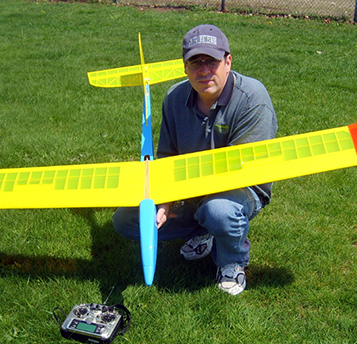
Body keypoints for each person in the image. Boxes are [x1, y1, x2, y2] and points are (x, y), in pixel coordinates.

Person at [113, 24, 278, 295]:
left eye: (211, 61)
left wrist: (185, 196)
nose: (203, 70)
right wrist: (165, 201)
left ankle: (231, 261)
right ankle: (203, 231)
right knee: (127, 220)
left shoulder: (253, 99)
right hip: (188, 187)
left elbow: (243, 169)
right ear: (185, 67)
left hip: (240, 187)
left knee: (218, 211)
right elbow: (167, 156)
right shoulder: (174, 98)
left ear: (228, 62)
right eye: (195, 62)